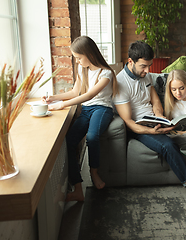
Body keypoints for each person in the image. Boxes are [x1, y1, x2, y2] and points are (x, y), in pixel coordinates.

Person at [113, 41, 186, 197]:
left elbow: (155, 102)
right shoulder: (120, 83)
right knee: (168, 145)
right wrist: (152, 131)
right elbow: (128, 122)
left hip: (154, 121)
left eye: (149, 65)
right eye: (143, 66)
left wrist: (160, 117)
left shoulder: (145, 76)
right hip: (139, 127)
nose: (148, 71)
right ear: (130, 62)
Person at [42, 36, 118, 202]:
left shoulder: (106, 73)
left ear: (89, 54)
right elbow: (75, 93)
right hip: (86, 110)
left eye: (78, 57)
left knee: (91, 136)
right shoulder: (82, 70)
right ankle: (77, 188)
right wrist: (53, 98)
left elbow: (90, 94)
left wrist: (62, 105)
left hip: (102, 109)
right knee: (69, 141)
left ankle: (94, 173)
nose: (77, 61)